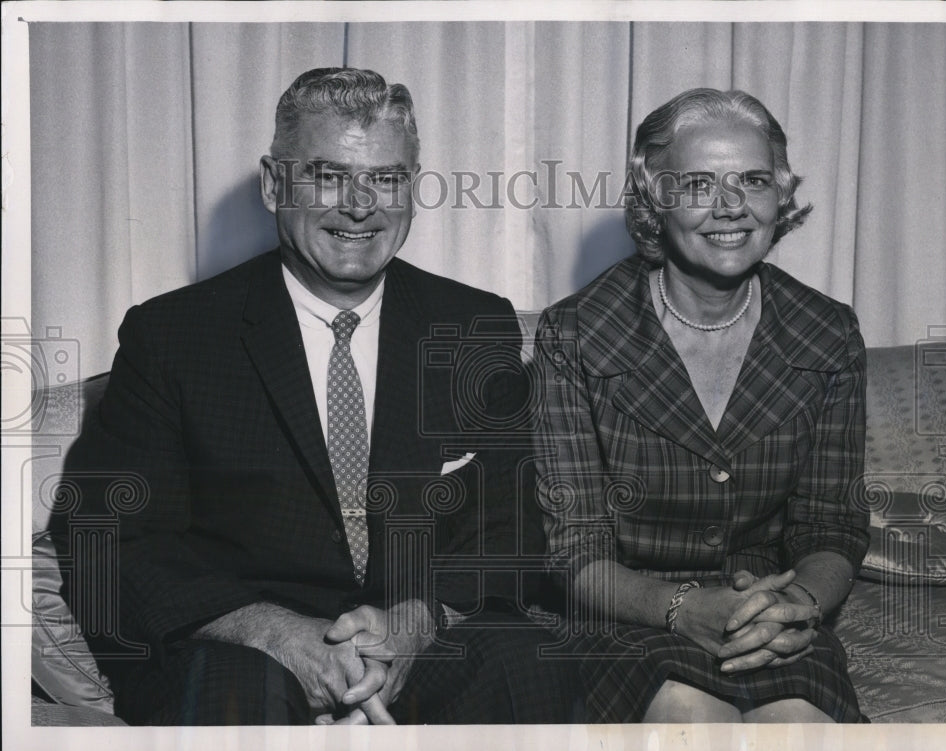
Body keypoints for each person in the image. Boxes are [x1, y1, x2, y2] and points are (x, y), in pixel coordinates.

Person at [55, 67, 576, 726]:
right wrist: (268, 631)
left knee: (526, 661)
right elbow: (102, 536)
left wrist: (420, 617)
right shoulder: (175, 335)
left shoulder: (475, 323)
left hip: (422, 641)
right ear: (275, 184)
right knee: (234, 691)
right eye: (329, 176)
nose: (360, 204)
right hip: (245, 649)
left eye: (386, 178)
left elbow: (513, 527)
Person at [533, 88, 870, 723]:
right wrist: (683, 607)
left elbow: (831, 525)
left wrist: (798, 603)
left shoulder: (827, 332)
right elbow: (573, 550)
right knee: (690, 716)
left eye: (753, 179)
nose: (731, 206)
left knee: (797, 724)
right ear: (654, 199)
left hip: (767, 617)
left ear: (780, 196)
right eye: (697, 184)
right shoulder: (574, 334)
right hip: (625, 619)